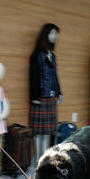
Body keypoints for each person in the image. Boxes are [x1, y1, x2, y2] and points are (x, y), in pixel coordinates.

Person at [29, 23, 62, 163]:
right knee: (38, 133)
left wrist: (59, 93)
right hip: (40, 98)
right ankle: (37, 159)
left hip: (51, 98)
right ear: (46, 35)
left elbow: (55, 76)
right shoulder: (36, 55)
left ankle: (44, 158)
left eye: (55, 34)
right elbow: (33, 76)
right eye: (52, 33)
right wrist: (34, 96)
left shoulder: (52, 56)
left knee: (48, 132)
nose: (55, 37)